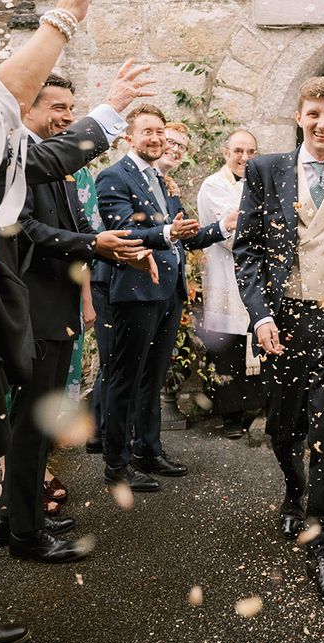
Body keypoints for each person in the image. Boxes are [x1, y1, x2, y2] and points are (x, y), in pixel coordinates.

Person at [0, 69, 153, 563]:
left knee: (37, 424)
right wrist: (92, 244)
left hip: (56, 308)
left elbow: (75, 226)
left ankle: (17, 516)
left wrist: (121, 250)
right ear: (27, 108)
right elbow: (28, 230)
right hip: (32, 309)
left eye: (71, 108)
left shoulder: (51, 159)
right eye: (57, 108)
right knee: (31, 425)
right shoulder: (17, 157)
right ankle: (25, 533)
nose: (66, 117)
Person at [234, 77, 324, 610]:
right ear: (299, 116)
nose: (323, 124)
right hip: (281, 319)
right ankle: (294, 487)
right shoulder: (266, 170)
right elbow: (245, 248)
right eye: (314, 114)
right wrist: (261, 314)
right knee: (282, 424)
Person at [95, 104, 232, 493]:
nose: (155, 138)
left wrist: (223, 225)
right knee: (125, 377)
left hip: (168, 292)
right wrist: (169, 231)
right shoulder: (113, 177)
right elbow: (123, 231)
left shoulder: (163, 181)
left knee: (152, 376)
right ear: (128, 137)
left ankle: (148, 449)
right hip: (134, 290)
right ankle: (117, 463)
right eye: (147, 132)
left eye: (159, 131)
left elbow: (183, 233)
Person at [196, 128, 263, 438]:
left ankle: (254, 407)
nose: (245, 157)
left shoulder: (258, 182)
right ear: (226, 153)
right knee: (228, 345)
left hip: (253, 275)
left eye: (250, 151)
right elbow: (229, 235)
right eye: (238, 151)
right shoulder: (213, 186)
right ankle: (230, 415)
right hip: (225, 273)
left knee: (253, 340)